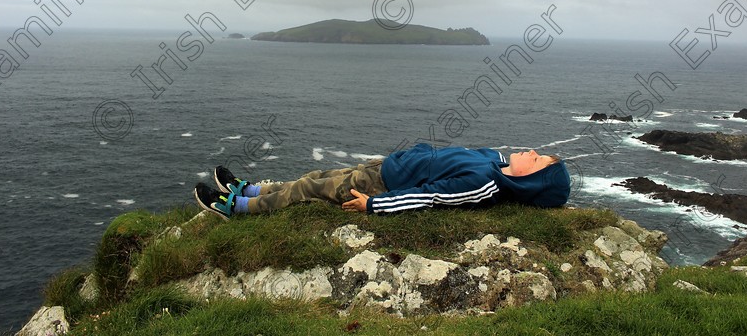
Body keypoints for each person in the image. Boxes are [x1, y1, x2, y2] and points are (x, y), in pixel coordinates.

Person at [194, 143, 570, 220]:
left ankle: (238, 208)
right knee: (316, 175)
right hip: (390, 164)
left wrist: (373, 204)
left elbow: (429, 196)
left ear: (532, 181)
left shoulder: (483, 184)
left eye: (537, 160)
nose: (532, 152)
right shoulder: (497, 160)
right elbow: (453, 152)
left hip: (382, 184)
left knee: (308, 190)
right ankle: (249, 189)